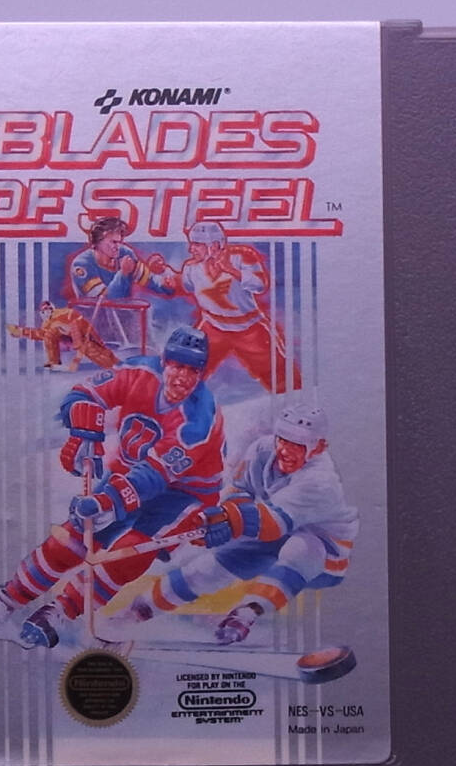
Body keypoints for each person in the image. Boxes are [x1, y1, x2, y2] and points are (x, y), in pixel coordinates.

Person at [0, 326, 226, 648]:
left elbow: (154, 476)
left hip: (184, 495)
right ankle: (7, 599)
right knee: (74, 536)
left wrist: (108, 500)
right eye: (178, 366)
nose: (183, 377)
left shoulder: (200, 419)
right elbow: (83, 393)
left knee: (129, 552)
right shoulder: (138, 372)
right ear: (164, 361)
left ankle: (62, 610)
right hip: (129, 474)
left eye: (193, 370)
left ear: (201, 374)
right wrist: (82, 425)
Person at [117, 404, 358, 643]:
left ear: (318, 447)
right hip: (277, 531)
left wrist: (228, 521)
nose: (285, 451)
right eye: (283, 440)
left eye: (297, 445)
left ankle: (245, 615)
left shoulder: (320, 481)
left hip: (326, 550)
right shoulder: (263, 449)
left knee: (301, 548)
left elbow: (272, 523)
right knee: (210, 567)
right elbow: (240, 491)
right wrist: (215, 518)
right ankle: (136, 611)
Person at [165, 220, 297, 394]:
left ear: (214, 245)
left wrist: (232, 271)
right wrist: (166, 274)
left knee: (278, 372)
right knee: (191, 366)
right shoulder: (191, 267)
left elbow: (260, 285)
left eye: (196, 244)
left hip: (249, 328)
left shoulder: (241, 256)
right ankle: (179, 403)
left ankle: (296, 403)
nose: (191, 249)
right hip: (212, 327)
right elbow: (184, 285)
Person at [68, 215, 174, 302]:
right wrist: (123, 273)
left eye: (120, 242)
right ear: (98, 241)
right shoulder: (82, 265)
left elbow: (147, 278)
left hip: (124, 317)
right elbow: (104, 301)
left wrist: (165, 285)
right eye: (114, 242)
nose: (118, 246)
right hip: (92, 319)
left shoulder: (125, 253)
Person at [6, 300, 117, 371]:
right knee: (49, 334)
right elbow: (42, 334)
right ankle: (53, 361)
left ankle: (114, 366)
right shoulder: (47, 323)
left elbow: (82, 329)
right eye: (44, 310)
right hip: (69, 340)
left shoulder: (66, 314)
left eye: (48, 309)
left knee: (92, 349)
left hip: (83, 336)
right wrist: (22, 332)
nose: (47, 312)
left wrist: (77, 359)